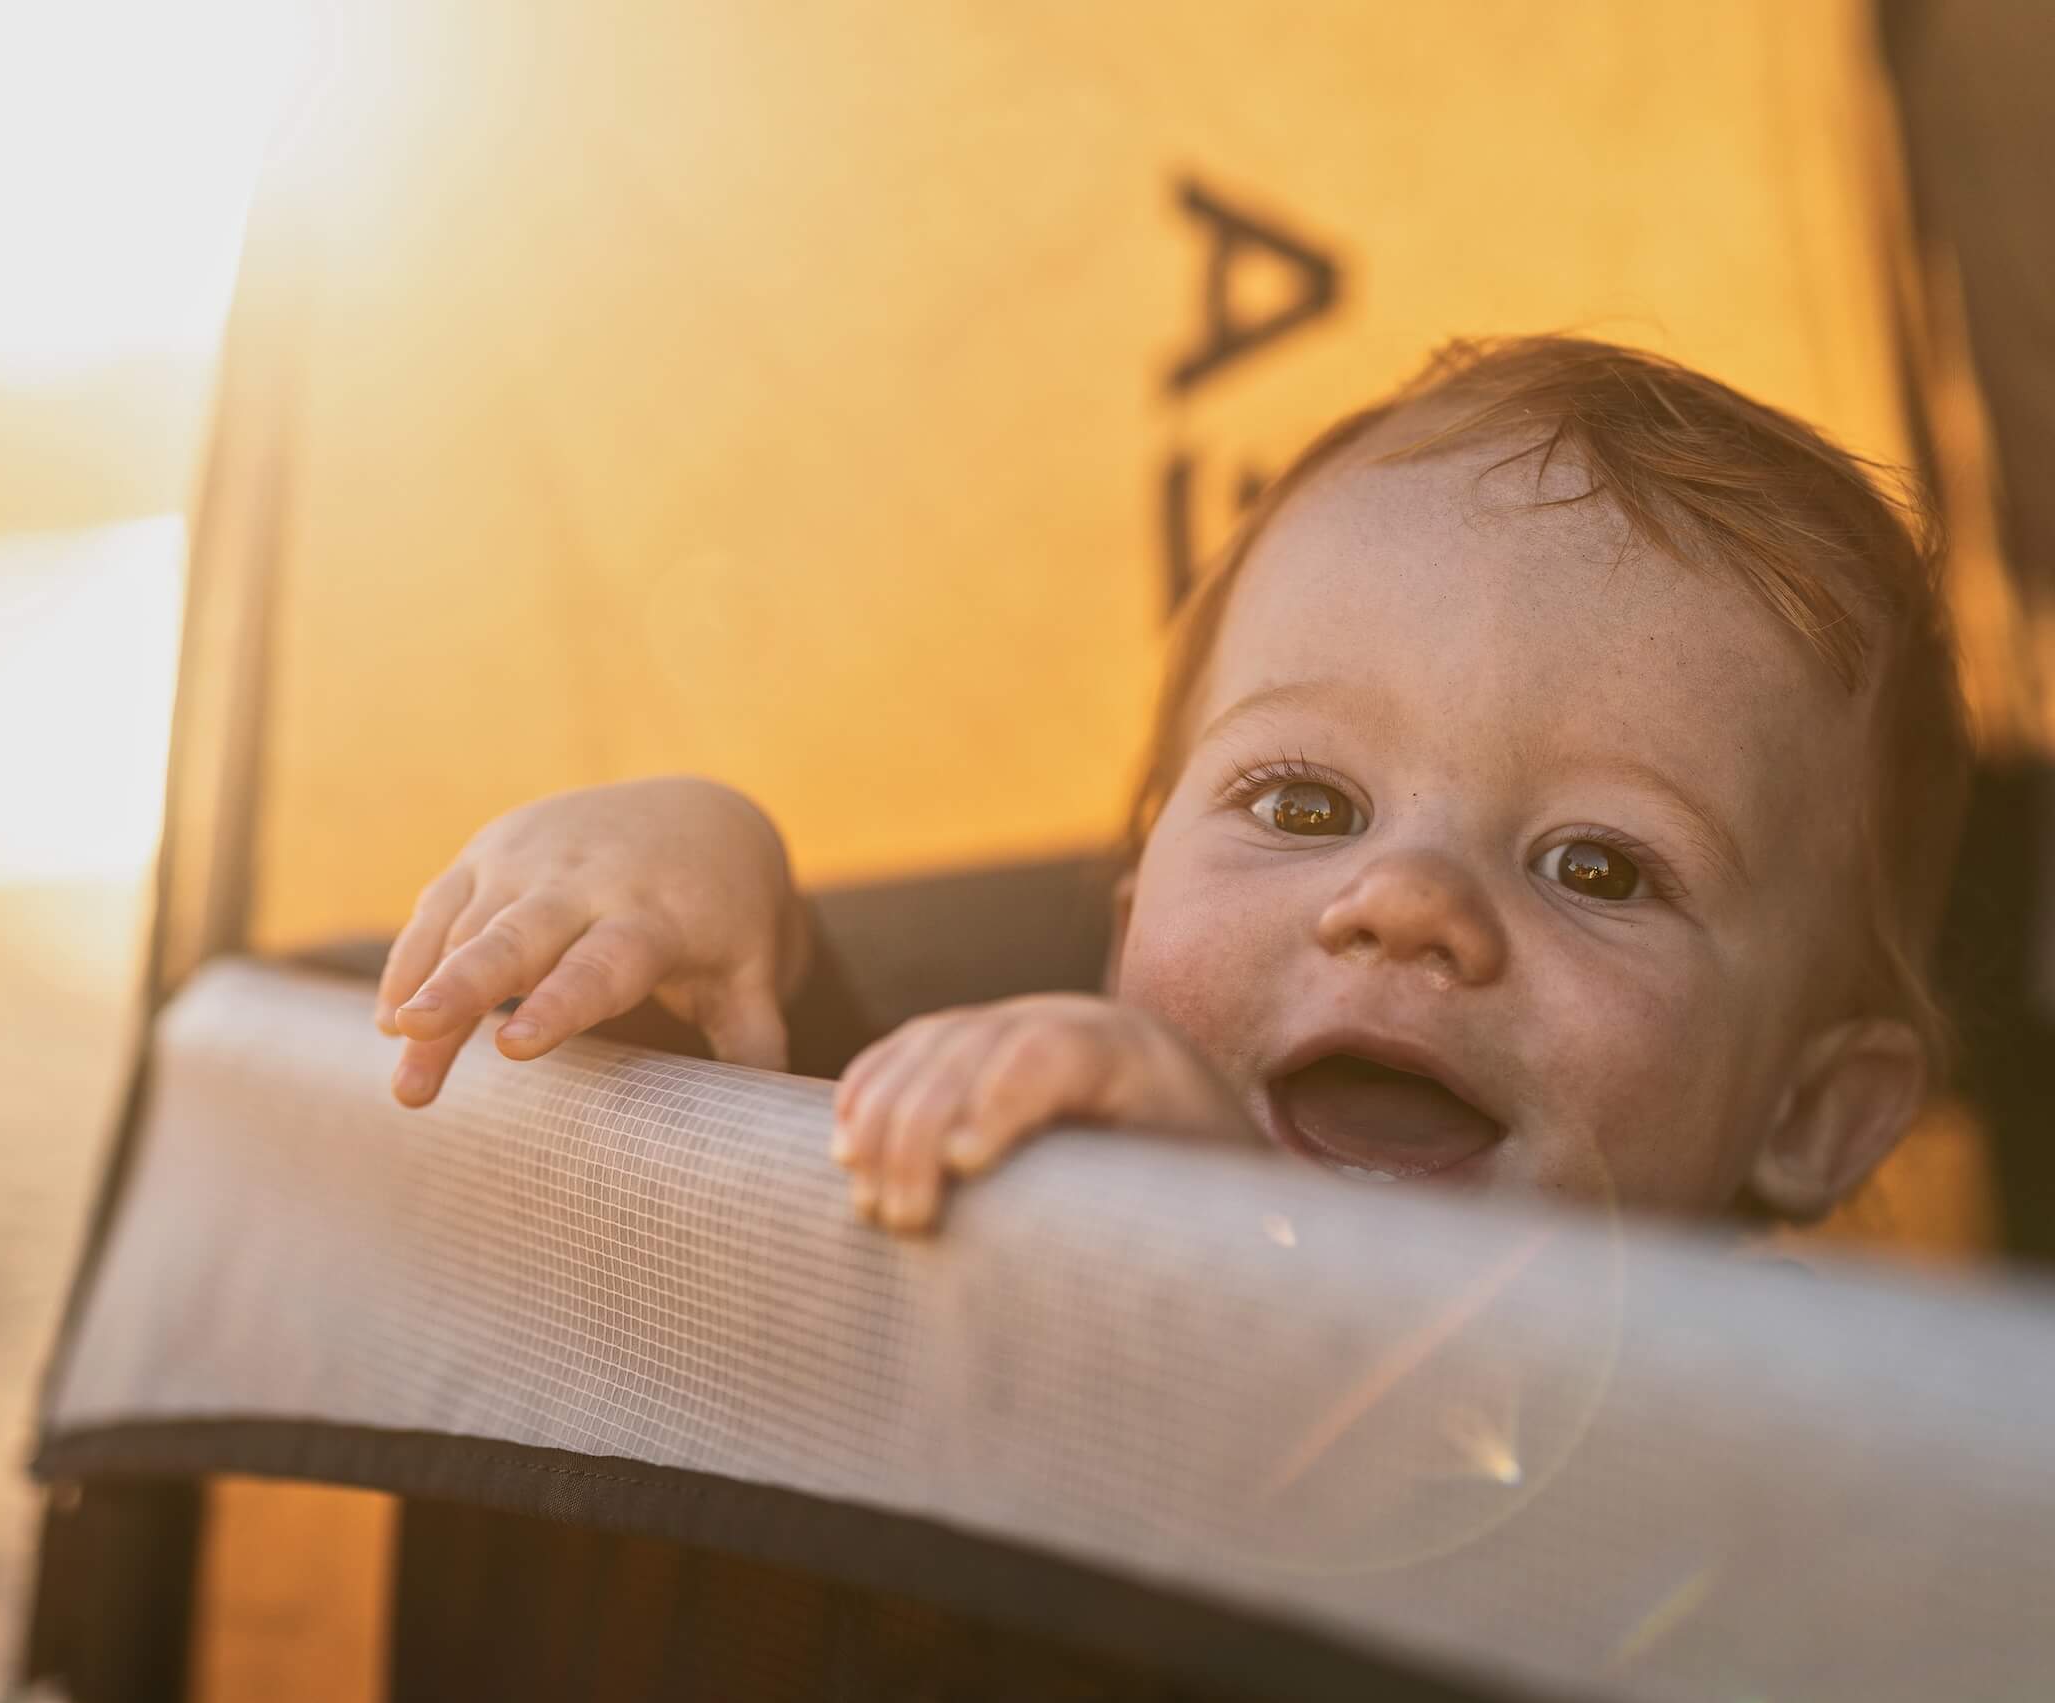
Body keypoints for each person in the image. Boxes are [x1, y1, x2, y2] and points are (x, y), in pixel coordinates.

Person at [373, 335, 1969, 1234]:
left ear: (1811, 1116)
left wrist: (1223, 1270)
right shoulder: (1009, 1188)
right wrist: (701, 871)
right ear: (1131, 921)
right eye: (1303, 805)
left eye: (1601, 869)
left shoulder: (1732, 1508)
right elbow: (825, 1166)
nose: (1403, 902)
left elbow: (1432, 1512)